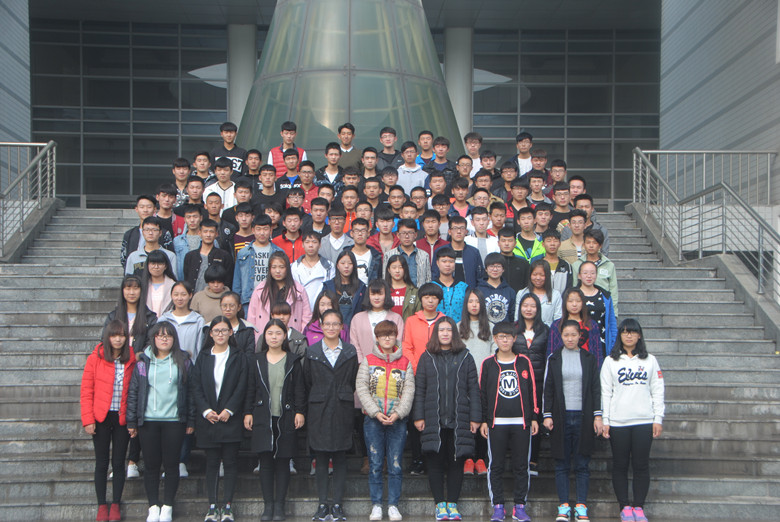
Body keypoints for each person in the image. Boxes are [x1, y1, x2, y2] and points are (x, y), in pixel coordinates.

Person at [413, 317, 481, 521]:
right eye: (441, 330)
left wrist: (475, 417)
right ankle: (440, 505)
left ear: (454, 333)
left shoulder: (465, 357)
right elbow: (420, 389)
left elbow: (473, 389)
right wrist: (418, 416)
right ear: (436, 333)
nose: (445, 333)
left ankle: (452, 503)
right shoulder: (427, 357)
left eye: (449, 330)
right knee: (434, 463)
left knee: (456, 463)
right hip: (433, 419)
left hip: (459, 419)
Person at [126, 322, 195, 522]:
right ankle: (153, 506)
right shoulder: (143, 363)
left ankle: (168, 506)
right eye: (160, 335)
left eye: (168, 335)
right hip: (148, 421)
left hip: (175, 420)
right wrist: (132, 421)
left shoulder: (184, 361)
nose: (164, 339)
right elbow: (134, 392)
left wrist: (191, 419)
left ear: (174, 339)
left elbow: (191, 393)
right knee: (151, 465)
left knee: (172, 465)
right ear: (153, 338)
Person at [601, 319, 665, 522]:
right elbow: (605, 393)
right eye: (625, 332)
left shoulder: (650, 361)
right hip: (618, 422)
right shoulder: (610, 361)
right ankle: (624, 507)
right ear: (620, 335)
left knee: (641, 465)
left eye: (633, 332)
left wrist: (658, 418)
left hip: (644, 421)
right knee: (620, 465)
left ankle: (639, 506)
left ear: (639, 335)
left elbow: (658, 390)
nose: (629, 336)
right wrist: (605, 420)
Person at [244, 319, 306, 521]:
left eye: (278, 333)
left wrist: (300, 411)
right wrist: (248, 412)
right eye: (270, 333)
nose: (274, 337)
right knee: (265, 462)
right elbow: (250, 388)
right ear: (265, 336)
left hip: (286, 416)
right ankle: (268, 505)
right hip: (263, 415)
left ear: (284, 336)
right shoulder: (256, 360)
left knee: (283, 461)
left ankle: (279, 505)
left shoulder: (293, 360)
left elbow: (299, 388)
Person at [543, 319, 603, 522]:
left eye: (573, 335)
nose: (570, 338)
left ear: (580, 336)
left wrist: (597, 415)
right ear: (561, 336)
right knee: (561, 463)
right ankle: (563, 506)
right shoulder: (554, 358)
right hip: (561, 417)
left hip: (583, 417)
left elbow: (595, 388)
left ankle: (581, 506)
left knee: (582, 464)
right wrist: (547, 414)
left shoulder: (588, 358)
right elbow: (548, 389)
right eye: (566, 335)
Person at [356, 320, 415, 522]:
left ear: (396, 336)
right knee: (375, 463)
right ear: (377, 338)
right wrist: (375, 412)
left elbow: (409, 390)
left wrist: (398, 413)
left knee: (395, 464)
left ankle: (393, 505)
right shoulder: (368, 360)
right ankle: (376, 504)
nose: (387, 338)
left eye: (390, 334)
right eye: (383, 335)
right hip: (373, 420)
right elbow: (362, 387)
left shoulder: (405, 362)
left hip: (397, 420)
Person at [479, 322, 538, 522]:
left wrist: (534, 416)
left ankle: (520, 506)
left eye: (508, 337)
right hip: (496, 423)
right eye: (501, 337)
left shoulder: (524, 362)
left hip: (521, 422)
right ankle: (498, 506)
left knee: (521, 466)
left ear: (514, 339)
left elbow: (532, 390)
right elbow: (482, 394)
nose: (505, 340)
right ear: (495, 339)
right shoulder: (488, 363)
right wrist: (484, 420)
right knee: (495, 465)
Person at [191, 316, 248, 522]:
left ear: (231, 332)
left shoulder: (239, 356)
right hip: (210, 419)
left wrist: (230, 409)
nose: (220, 334)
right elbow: (196, 385)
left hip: (230, 418)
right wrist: (206, 410)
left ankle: (228, 506)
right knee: (212, 463)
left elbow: (242, 385)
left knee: (230, 462)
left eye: (224, 330)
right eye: (216, 331)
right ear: (211, 334)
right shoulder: (204, 356)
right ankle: (213, 506)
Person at [304, 310, 359, 522]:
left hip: (342, 407)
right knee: (320, 456)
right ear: (321, 326)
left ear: (342, 326)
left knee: (340, 456)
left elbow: (353, 380)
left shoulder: (350, 351)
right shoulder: (312, 351)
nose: (331, 328)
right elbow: (307, 381)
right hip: (318, 408)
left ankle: (337, 504)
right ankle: (322, 504)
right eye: (327, 324)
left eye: (335, 324)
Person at [81, 320, 135, 522]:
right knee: (102, 462)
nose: (118, 339)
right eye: (114, 335)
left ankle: (116, 505)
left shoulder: (131, 358)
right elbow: (86, 390)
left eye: (121, 335)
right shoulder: (96, 357)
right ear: (107, 337)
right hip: (101, 417)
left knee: (119, 463)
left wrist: (133, 421)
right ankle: (102, 505)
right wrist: (88, 419)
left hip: (122, 417)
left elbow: (135, 391)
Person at [457, 288, 495, 476]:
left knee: (483, 420)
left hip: (485, 382)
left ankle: (481, 458)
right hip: (464, 383)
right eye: (470, 301)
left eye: (477, 301)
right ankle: (468, 458)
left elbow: (494, 355)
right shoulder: (458, 327)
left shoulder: (491, 328)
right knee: (466, 420)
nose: (474, 305)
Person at [513, 293, 549, 476]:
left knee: (535, 419)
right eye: (525, 305)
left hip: (539, 381)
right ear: (520, 308)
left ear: (538, 309)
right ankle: (519, 460)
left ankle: (533, 460)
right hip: (517, 382)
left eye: (533, 306)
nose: (528, 309)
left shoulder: (545, 330)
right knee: (519, 421)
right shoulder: (513, 329)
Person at [247, 250, 311, 340]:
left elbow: (306, 317)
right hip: (266, 338)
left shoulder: (298, 290)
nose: (277, 271)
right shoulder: (260, 290)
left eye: (281, 267)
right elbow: (251, 317)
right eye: (274, 267)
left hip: (291, 338)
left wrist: (299, 336)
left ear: (287, 268)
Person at [233, 215, 283, 314]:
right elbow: (237, 281)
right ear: (253, 230)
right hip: (248, 300)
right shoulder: (243, 253)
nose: (262, 233)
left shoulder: (278, 252)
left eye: (265, 229)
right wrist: (236, 301)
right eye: (258, 229)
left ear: (271, 230)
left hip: (273, 299)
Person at [548, 288, 603, 368]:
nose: (574, 304)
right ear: (565, 303)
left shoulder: (591, 325)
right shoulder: (556, 325)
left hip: (587, 368)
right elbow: (550, 351)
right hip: (562, 367)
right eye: (570, 301)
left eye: (578, 301)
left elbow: (598, 352)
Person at [576, 261, 618, 359]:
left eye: (592, 273)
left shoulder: (605, 295)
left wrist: (613, 345)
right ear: (579, 275)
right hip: (579, 342)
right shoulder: (573, 295)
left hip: (601, 342)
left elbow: (611, 322)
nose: (589, 276)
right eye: (585, 273)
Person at [572, 229, 619, 315]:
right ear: (584, 245)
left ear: (600, 245)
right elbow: (574, 287)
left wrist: (614, 313)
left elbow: (613, 290)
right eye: (588, 242)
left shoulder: (609, 265)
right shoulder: (576, 265)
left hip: (603, 307)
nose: (591, 246)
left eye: (594, 243)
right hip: (582, 308)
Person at [433, 215, 485, 289]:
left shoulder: (474, 252)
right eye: (455, 228)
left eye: (462, 228)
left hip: (469, 293)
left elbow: (480, 277)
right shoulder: (440, 251)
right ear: (449, 232)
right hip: (446, 293)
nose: (459, 231)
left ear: (466, 231)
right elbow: (435, 275)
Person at [121, 196, 173, 269]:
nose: (145, 210)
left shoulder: (164, 233)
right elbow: (124, 259)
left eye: (149, 207)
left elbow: (169, 257)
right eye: (142, 207)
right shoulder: (129, 234)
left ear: (155, 209)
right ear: (136, 209)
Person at [182, 219, 233, 292]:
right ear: (199, 233)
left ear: (216, 234)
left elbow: (228, 281)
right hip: (194, 296)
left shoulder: (224, 256)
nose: (208, 235)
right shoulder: (190, 256)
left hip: (217, 296)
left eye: (211, 232)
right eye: (205, 231)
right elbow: (187, 279)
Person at [291, 230, 335, 311]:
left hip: (321, 310)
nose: (311, 245)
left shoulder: (329, 267)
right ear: (302, 244)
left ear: (320, 245)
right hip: (299, 309)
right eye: (307, 242)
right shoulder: (294, 267)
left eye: (314, 242)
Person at [203, 292, 257, 356]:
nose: (228, 309)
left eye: (232, 306)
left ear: (239, 307)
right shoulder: (211, 327)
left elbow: (250, 354)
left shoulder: (247, 328)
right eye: (224, 306)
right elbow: (205, 352)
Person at [381, 219, 432, 286]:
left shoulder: (424, 255)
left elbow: (428, 279)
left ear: (415, 235)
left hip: (419, 291)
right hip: (396, 292)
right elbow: (385, 278)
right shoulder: (389, 255)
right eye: (403, 233)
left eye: (410, 233)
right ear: (398, 235)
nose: (407, 236)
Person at [323, 250, 366, 326]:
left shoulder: (361, 287)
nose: (346, 266)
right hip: (333, 327)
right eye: (343, 263)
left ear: (354, 266)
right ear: (337, 266)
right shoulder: (329, 286)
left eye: (350, 263)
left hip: (355, 326)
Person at [515, 259, 562, 326]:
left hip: (548, 331)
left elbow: (558, 320)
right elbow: (517, 318)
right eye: (535, 274)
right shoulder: (522, 293)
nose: (538, 278)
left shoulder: (555, 295)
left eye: (542, 275)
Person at [432, 247, 470, 323]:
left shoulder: (463, 287)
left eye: (451, 261)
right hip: (437, 327)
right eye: (444, 261)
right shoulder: (431, 287)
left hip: (460, 327)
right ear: (437, 263)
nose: (447, 265)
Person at [477, 253, 516, 325]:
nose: (495, 269)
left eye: (498, 266)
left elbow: (512, 315)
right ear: (486, 269)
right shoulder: (478, 290)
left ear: (503, 269)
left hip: (504, 330)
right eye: (491, 266)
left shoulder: (510, 291)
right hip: (484, 329)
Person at [384, 254, 422, 322]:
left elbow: (418, 313)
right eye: (394, 267)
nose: (397, 271)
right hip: (387, 327)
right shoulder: (383, 290)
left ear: (405, 269)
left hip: (408, 327)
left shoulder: (414, 291)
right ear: (389, 270)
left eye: (400, 267)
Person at [344, 218, 381, 285]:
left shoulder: (376, 255)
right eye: (356, 231)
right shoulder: (345, 254)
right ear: (351, 233)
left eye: (363, 231)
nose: (360, 234)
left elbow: (379, 278)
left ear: (368, 233)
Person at [140, 250, 176, 318]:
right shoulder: (142, 285)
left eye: (160, 264)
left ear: (165, 266)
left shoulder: (173, 286)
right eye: (153, 263)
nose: (156, 267)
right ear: (148, 265)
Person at [497, 227, 530, 293]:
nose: (506, 244)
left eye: (510, 241)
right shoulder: (493, 263)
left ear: (515, 243)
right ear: (498, 243)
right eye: (503, 241)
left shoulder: (524, 264)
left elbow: (527, 286)